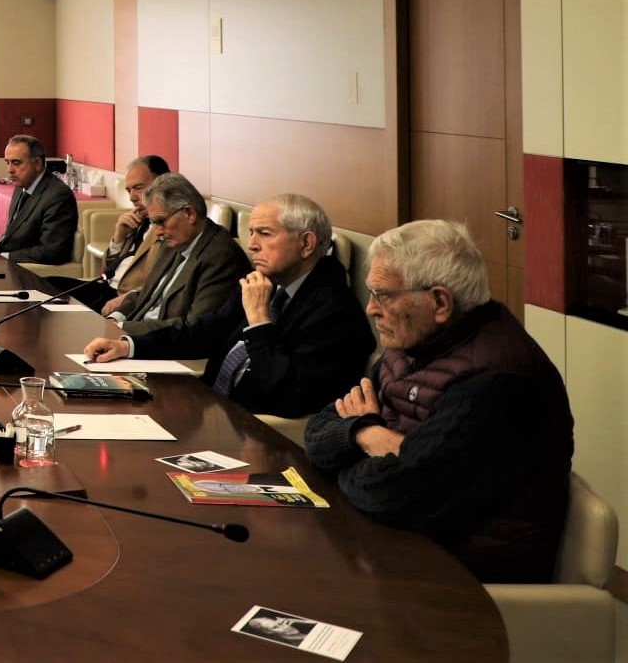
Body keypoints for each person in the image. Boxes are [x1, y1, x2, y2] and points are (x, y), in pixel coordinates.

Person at [304, 220, 573, 584]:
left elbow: (393, 496)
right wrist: (367, 434)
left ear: (440, 302)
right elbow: (317, 432)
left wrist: (348, 455)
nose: (370, 309)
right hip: (395, 548)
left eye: (383, 294)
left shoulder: (498, 380)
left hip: (461, 583)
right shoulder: (409, 348)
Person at [85, 193, 373, 417]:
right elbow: (203, 332)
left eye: (265, 233)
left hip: (257, 433)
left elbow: (289, 397)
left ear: (307, 244)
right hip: (208, 405)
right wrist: (129, 346)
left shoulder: (334, 312)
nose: (252, 245)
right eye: (251, 233)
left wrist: (260, 322)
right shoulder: (265, 282)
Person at [106, 173, 248, 333]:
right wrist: (116, 317)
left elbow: (194, 327)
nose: (157, 232)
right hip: (136, 333)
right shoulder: (173, 242)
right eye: (154, 223)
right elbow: (148, 295)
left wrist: (123, 328)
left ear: (189, 214)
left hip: (168, 348)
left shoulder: (220, 256)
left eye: (161, 222)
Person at [80, 154, 170, 312]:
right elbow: (107, 270)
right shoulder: (138, 218)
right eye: (129, 190)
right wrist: (118, 239)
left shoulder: (170, 227)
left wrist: (131, 297)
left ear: (162, 184)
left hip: (125, 299)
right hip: (105, 288)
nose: (132, 197)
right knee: (48, 285)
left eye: (138, 188)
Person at [0, 135, 76, 264]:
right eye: (7, 162)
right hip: (10, 262)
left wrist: (5, 257)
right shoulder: (22, 185)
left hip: (31, 275)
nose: (9, 170)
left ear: (37, 163)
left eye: (16, 163)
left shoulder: (58, 196)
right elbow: (13, 234)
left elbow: (52, 251)